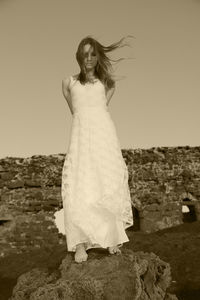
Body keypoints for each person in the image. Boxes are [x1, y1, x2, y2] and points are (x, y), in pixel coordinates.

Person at [61, 35, 134, 263]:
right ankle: (80, 243)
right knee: (80, 183)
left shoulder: (108, 84)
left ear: (98, 56)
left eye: (93, 54)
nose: (89, 58)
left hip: (104, 137)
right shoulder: (68, 83)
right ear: (78, 56)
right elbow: (76, 112)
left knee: (107, 181)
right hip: (81, 138)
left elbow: (101, 112)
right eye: (85, 54)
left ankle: (111, 238)